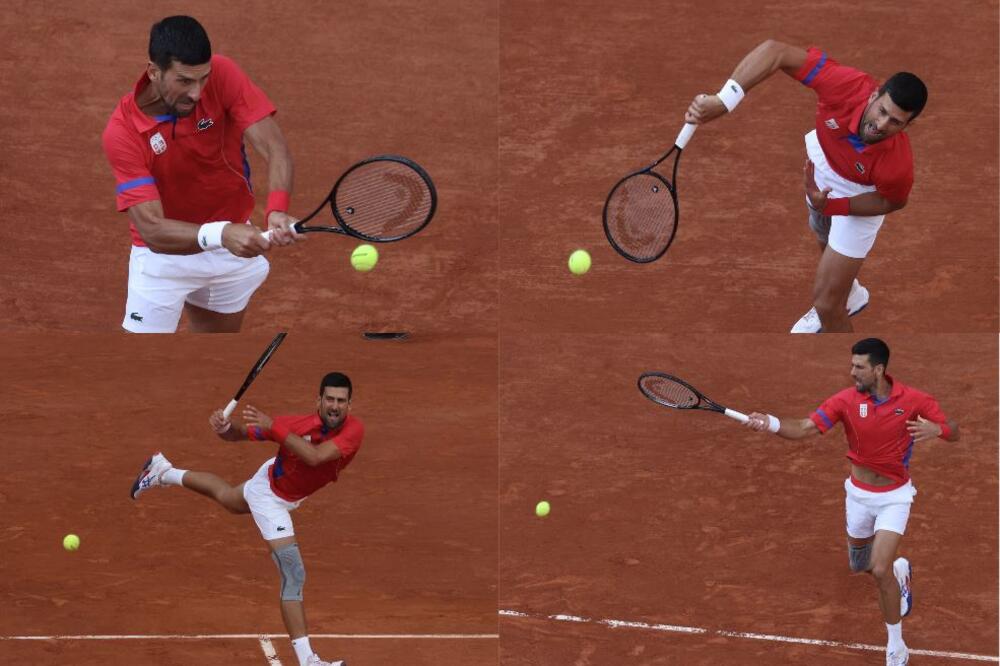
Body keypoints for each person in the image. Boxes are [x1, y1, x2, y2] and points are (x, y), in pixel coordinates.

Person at [685, 40, 928, 333]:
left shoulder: (897, 166)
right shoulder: (847, 86)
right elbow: (776, 51)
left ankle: (838, 323)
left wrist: (835, 206)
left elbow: (891, 202)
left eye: (895, 122)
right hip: (822, 167)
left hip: (861, 197)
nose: (881, 124)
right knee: (822, 232)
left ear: (907, 126)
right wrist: (724, 100)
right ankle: (849, 291)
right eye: (882, 111)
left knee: (827, 304)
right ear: (874, 94)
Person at [743, 338, 958, 666]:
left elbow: (954, 430)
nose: (852, 372)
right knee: (859, 564)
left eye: (859, 367)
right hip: (857, 495)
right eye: (851, 365)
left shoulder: (915, 400)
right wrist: (770, 423)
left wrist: (938, 429)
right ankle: (901, 575)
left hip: (894, 498)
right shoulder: (844, 400)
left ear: (879, 369)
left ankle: (896, 645)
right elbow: (805, 428)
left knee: (878, 568)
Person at [130, 372, 363, 666]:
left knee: (228, 498)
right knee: (293, 574)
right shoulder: (294, 425)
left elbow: (315, 457)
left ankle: (163, 471)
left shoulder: (353, 430)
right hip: (271, 498)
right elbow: (239, 435)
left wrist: (274, 427)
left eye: (341, 401)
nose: (335, 406)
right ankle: (308, 661)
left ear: (349, 406)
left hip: (279, 485)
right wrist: (225, 427)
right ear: (318, 401)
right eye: (329, 399)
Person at [103, 15, 302, 333]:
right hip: (164, 259)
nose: (197, 93)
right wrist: (221, 234)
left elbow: (275, 148)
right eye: (184, 81)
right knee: (139, 371)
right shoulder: (123, 132)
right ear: (154, 72)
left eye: (203, 79)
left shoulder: (224, 73)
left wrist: (277, 207)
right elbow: (153, 231)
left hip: (229, 250)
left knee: (213, 360)